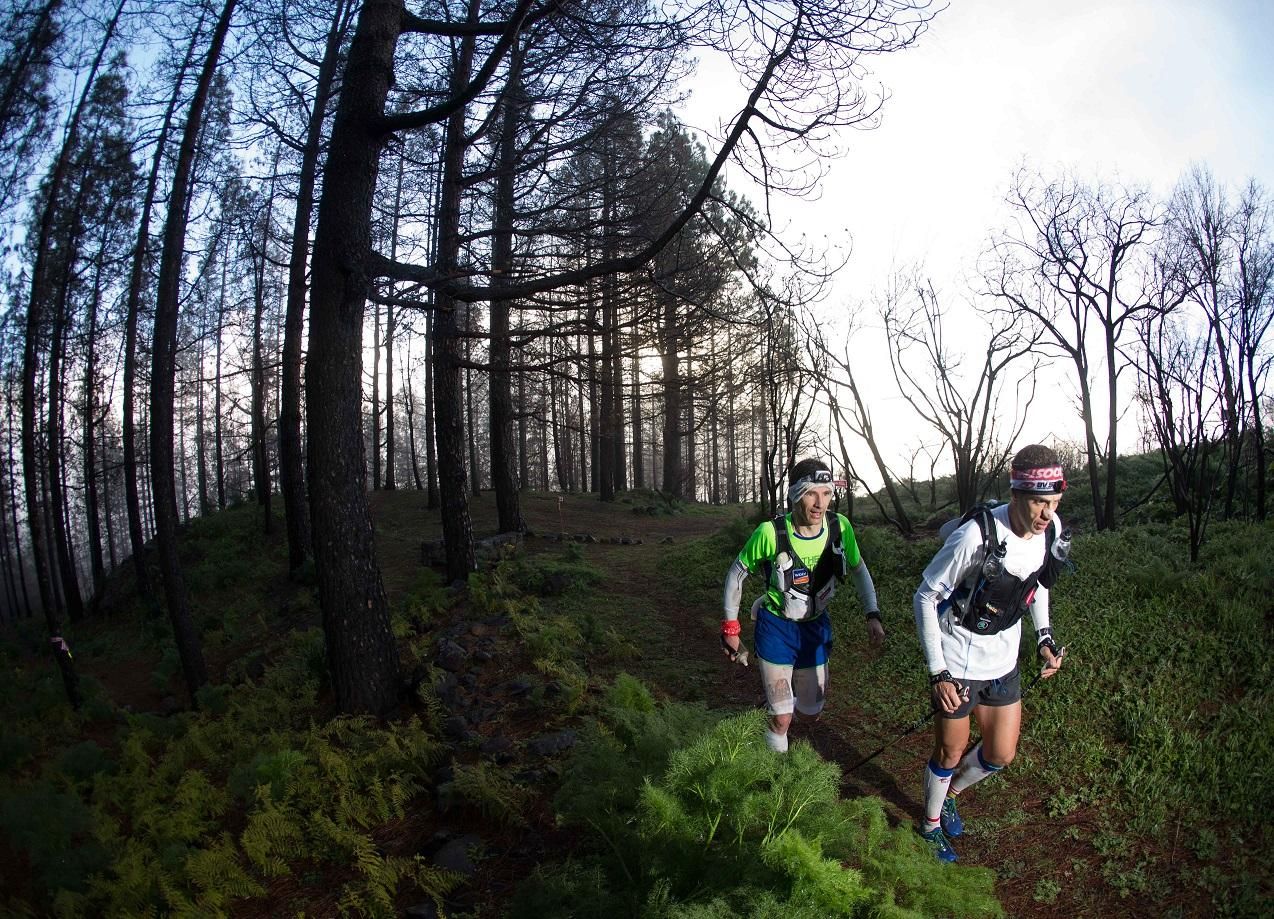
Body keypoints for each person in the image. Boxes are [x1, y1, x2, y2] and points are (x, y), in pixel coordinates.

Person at [913, 444, 1070, 861]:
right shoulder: (975, 537)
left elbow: (1037, 584)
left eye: (1054, 503)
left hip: (1003, 658)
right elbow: (926, 596)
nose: (1047, 514)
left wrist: (1044, 637)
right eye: (1039, 503)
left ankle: (949, 796)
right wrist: (938, 673)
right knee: (950, 750)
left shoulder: (1049, 530)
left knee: (1001, 753)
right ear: (1016, 494)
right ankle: (928, 826)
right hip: (958, 658)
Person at [722, 458, 885, 753]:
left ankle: (779, 702)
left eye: (826, 493)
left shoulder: (839, 527)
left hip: (815, 628)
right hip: (776, 627)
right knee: (782, 718)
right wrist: (730, 628)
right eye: (811, 493)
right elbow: (736, 574)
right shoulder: (770, 533)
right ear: (795, 495)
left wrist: (872, 613)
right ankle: (775, 762)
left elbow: (859, 569)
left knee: (811, 713)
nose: (819, 503)